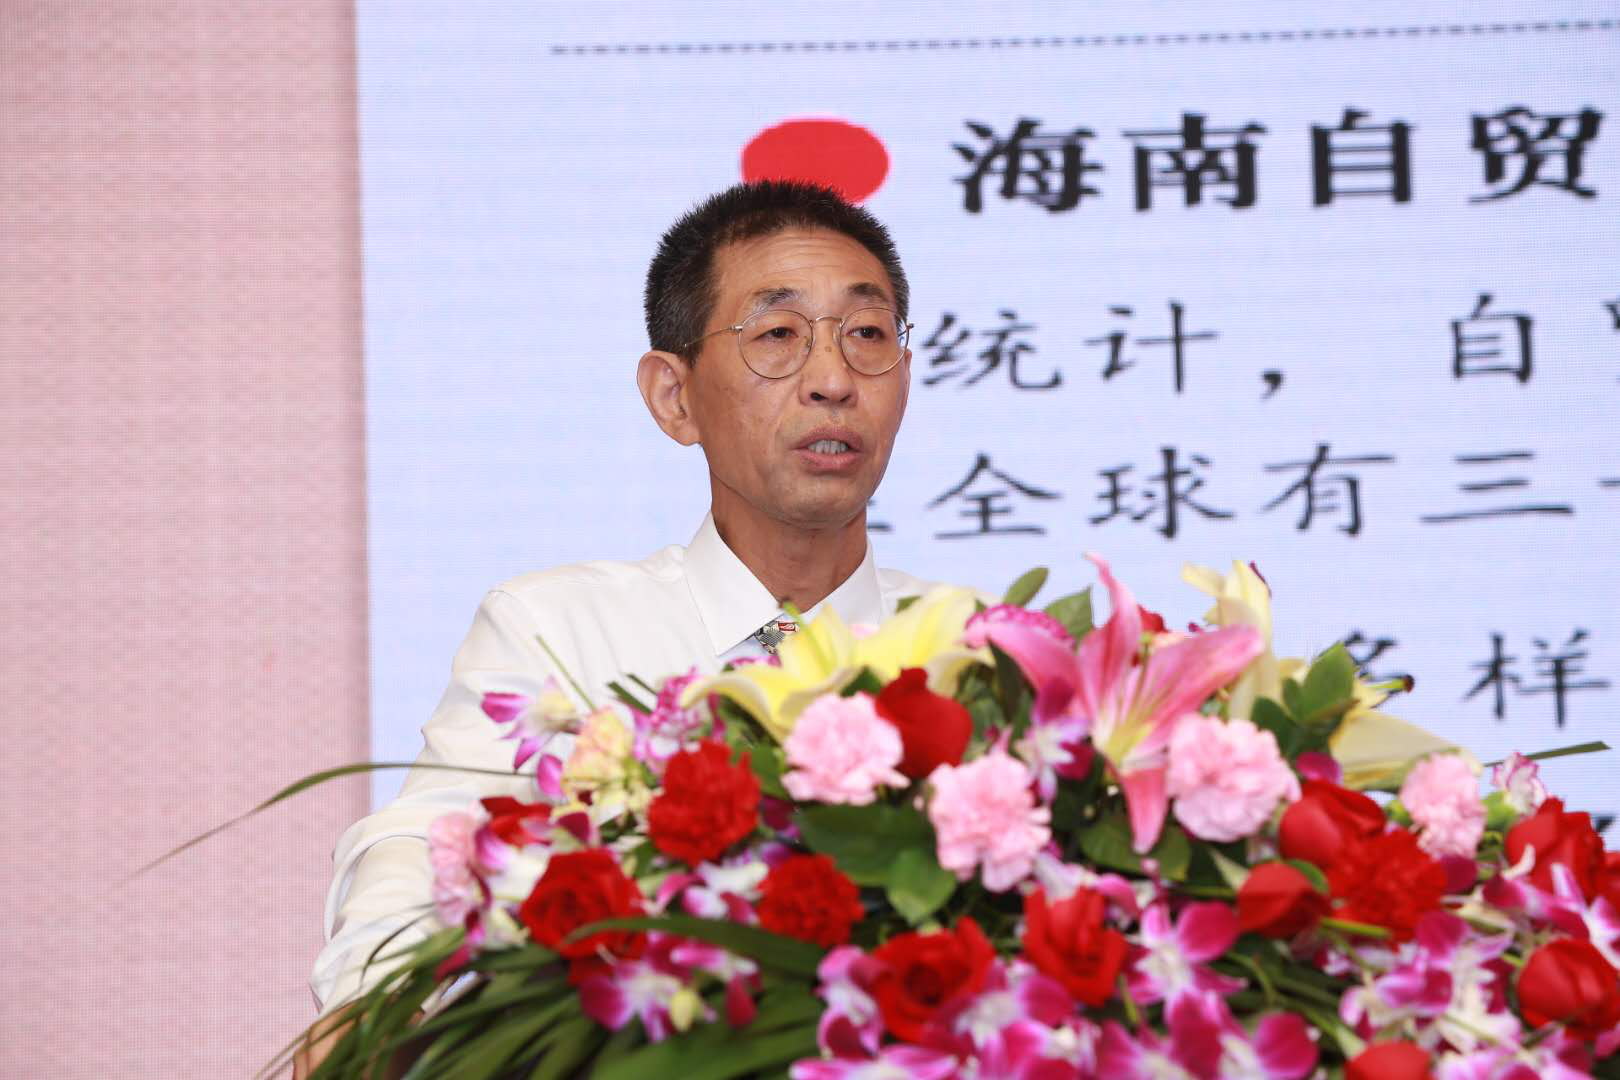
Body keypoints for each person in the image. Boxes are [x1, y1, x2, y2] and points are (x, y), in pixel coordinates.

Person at [296, 180, 931, 1074]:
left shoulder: (974, 649)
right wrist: (374, 999)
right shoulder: (558, 632)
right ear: (674, 397)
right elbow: (431, 841)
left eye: (867, 334)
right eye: (778, 336)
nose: (833, 380)